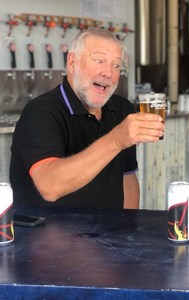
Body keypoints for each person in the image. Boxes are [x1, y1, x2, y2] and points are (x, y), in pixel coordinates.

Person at [10, 28, 164, 209]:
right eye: (99, 61)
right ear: (72, 62)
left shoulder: (122, 110)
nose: (108, 73)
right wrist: (116, 140)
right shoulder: (40, 112)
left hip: (109, 235)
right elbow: (49, 186)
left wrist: (129, 227)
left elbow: (127, 178)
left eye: (116, 65)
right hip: (43, 234)